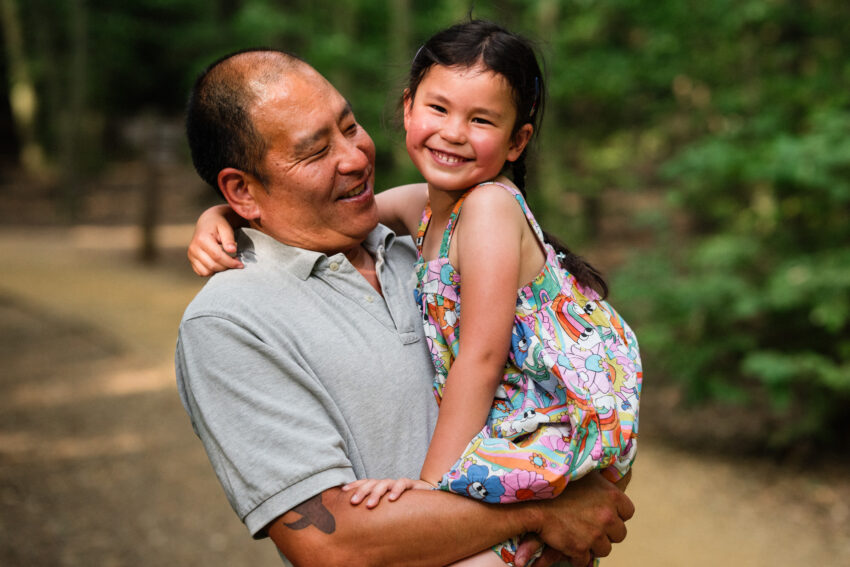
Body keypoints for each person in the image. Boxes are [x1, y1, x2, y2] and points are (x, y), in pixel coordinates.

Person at [178, 44, 634, 567]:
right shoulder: (232, 322)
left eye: (349, 127)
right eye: (314, 151)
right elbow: (331, 545)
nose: (354, 158)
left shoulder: (417, 242)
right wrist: (542, 509)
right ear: (242, 189)